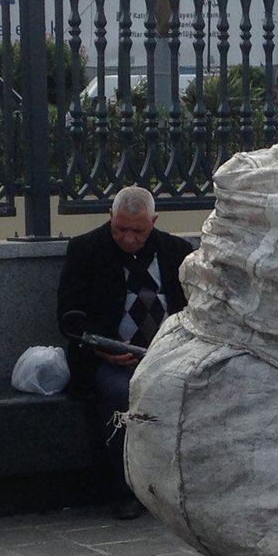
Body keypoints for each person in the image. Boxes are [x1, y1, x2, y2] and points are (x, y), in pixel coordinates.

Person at [57, 186, 194, 519]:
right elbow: (69, 315)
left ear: (154, 222)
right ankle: (126, 489)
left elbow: (194, 307)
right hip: (108, 358)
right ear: (110, 217)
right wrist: (101, 348)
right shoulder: (85, 249)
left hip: (167, 355)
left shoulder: (177, 250)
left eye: (138, 231)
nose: (129, 238)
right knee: (122, 395)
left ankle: (180, 487)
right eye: (120, 229)